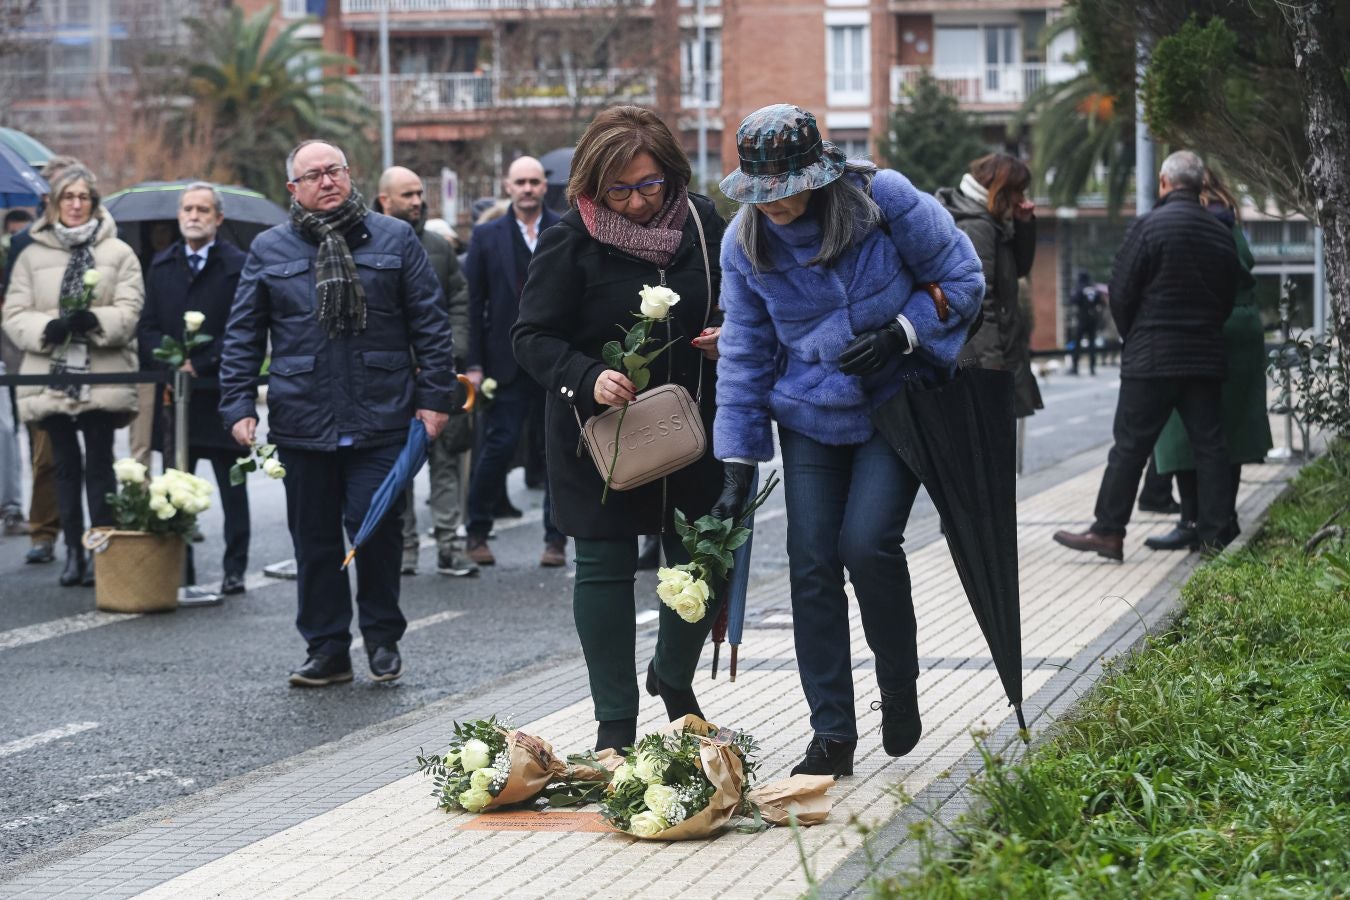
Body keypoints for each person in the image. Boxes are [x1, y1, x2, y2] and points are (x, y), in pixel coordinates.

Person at [713, 104, 985, 777]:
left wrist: (901, 333)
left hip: (894, 405)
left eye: (786, 190)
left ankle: (899, 686)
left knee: (866, 545)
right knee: (810, 563)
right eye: (761, 193)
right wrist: (737, 461)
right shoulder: (743, 244)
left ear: (819, 177)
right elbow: (744, 352)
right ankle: (831, 731)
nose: (774, 205)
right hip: (810, 414)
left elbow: (964, 281)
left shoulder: (884, 200)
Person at [512, 105, 727, 753]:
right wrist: (586, 375)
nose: (636, 202)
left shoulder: (702, 223)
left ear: (673, 174)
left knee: (699, 560)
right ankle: (615, 723)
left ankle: (674, 678)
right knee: (604, 567)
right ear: (593, 185)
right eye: (619, 190)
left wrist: (728, 336)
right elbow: (531, 336)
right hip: (599, 435)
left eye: (650, 185)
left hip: (692, 428)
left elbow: (739, 301)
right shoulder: (569, 238)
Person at [219, 139, 457, 687]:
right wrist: (237, 403)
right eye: (314, 175)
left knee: (376, 533)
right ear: (293, 188)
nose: (327, 181)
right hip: (302, 420)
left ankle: (382, 638)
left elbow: (430, 323)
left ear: (350, 175)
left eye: (335, 171)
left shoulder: (394, 237)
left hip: (382, 415)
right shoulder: (269, 248)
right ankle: (327, 649)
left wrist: (435, 399)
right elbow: (243, 334)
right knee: (314, 542)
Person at [1053, 150, 1241, 561]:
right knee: (1210, 446)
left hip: (1152, 356)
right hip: (1204, 357)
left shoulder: (1148, 226)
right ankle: (1215, 536)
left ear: (1164, 182)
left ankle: (1108, 531)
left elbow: (1121, 292)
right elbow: (1228, 296)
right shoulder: (1219, 233)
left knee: (1130, 447)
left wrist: (1135, 334)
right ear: (1200, 185)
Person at [1, 164, 144, 586]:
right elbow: (14, 313)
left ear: (94, 203)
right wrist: (48, 328)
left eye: (83, 197)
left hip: (102, 372)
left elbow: (131, 309)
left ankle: (100, 550)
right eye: (68, 197)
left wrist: (95, 320)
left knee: (100, 465)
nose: (76, 205)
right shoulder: (31, 255)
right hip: (51, 374)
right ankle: (73, 556)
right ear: (55, 203)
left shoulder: (118, 252)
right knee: (63, 467)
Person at [137, 182, 251, 595]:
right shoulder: (162, 264)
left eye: (203, 209)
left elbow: (243, 329)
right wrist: (171, 359)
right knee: (175, 489)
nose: (194, 216)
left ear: (218, 218)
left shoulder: (237, 265)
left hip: (221, 395)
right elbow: (147, 326)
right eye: (188, 209)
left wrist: (201, 363)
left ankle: (235, 568)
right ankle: (179, 568)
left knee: (232, 487)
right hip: (176, 399)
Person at [1147, 168, 1269, 551]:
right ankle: (1222, 518)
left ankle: (1194, 520)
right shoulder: (1226, 217)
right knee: (1228, 429)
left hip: (1205, 327)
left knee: (1183, 429)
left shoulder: (1195, 222)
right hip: (1240, 326)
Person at [374, 165, 477, 578]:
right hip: (392, 378)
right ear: (385, 200)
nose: (417, 201)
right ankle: (405, 548)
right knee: (398, 464)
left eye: (419, 193)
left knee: (446, 461)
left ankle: (450, 546)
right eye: (408, 195)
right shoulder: (370, 246)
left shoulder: (438, 246)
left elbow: (459, 302)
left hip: (438, 373)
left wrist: (452, 353)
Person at [463, 155, 566, 567]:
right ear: (508, 187)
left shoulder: (562, 228)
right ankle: (476, 531)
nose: (527, 188)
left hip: (553, 359)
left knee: (553, 450)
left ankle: (555, 540)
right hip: (503, 362)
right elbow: (473, 306)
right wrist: (474, 364)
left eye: (534, 182)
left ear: (544, 187)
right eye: (520, 182)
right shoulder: (486, 236)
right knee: (498, 446)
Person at [4, 158, 82, 567]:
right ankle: (45, 532)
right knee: (46, 453)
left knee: (98, 456)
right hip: (39, 356)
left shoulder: (103, 237)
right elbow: (14, 306)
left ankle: (95, 534)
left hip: (92, 356)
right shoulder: (23, 243)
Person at [935, 154, 1042, 418]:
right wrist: (993, 365)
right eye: (1017, 191)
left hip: (993, 348)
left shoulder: (989, 220)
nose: (1021, 198)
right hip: (983, 354)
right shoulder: (977, 226)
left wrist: (1023, 225)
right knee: (990, 435)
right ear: (1001, 188)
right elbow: (981, 302)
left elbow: (1017, 271)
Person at [1068, 271, 1103, 376]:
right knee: (1092, 344)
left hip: (1082, 318)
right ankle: (1092, 367)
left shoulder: (1079, 288)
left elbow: (1073, 300)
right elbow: (1100, 302)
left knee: (1077, 343)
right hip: (1093, 318)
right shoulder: (1094, 288)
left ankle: (1075, 366)